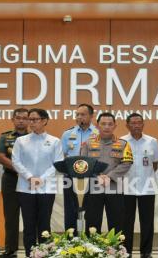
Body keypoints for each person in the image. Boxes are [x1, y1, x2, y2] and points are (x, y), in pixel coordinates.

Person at [12, 108, 63, 257]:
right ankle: (29, 253)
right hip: (25, 187)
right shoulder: (21, 140)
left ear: (44, 120)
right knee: (28, 224)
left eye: (35, 119)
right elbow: (16, 161)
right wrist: (29, 177)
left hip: (46, 188)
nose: (31, 122)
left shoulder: (54, 141)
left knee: (44, 224)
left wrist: (41, 179)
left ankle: (44, 253)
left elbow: (57, 163)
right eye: (30, 119)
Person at [80, 112, 133, 234]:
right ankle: (92, 251)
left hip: (115, 188)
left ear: (115, 126)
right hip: (94, 188)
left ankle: (116, 252)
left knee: (117, 223)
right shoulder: (88, 144)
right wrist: (97, 176)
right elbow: (83, 164)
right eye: (103, 124)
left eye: (110, 124)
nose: (107, 127)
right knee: (92, 222)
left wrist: (109, 176)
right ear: (97, 125)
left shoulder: (123, 144)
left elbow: (127, 163)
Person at [121, 113, 158, 258]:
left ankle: (146, 252)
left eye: (139, 123)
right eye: (133, 123)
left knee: (147, 223)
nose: (136, 125)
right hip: (126, 187)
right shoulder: (121, 141)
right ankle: (126, 252)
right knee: (126, 223)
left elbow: (155, 163)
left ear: (143, 125)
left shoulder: (152, 141)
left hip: (147, 187)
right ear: (127, 125)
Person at [60, 104, 98, 232]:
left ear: (91, 116)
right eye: (77, 114)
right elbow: (63, 155)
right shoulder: (68, 134)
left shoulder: (98, 133)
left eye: (83, 114)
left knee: (92, 211)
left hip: (92, 177)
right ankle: (70, 241)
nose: (79, 117)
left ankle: (90, 242)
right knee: (70, 210)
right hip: (71, 177)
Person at [0, 108, 29, 258]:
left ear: (28, 120)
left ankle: (32, 248)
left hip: (30, 181)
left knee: (30, 215)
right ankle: (10, 249)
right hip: (10, 179)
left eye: (24, 118)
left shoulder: (34, 137)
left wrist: (25, 173)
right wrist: (20, 170)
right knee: (10, 216)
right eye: (18, 118)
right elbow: (1, 157)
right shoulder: (5, 137)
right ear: (13, 119)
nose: (21, 120)